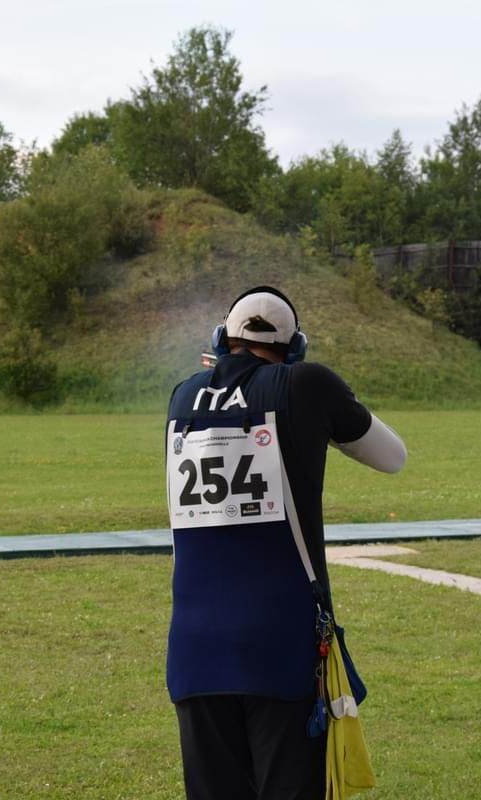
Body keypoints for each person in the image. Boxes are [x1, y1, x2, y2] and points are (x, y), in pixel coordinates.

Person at [164, 286, 407, 800]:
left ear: (220, 338)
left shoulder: (183, 394)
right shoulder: (306, 383)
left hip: (194, 646)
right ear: (294, 346)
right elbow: (392, 456)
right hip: (279, 644)